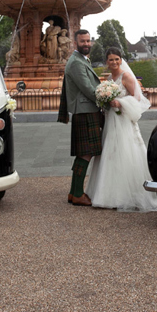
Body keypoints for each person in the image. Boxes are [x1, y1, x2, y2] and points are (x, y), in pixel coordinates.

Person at [85, 47, 157, 212]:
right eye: (111, 60)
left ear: (121, 60)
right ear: (106, 62)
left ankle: (128, 194)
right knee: (110, 153)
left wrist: (120, 103)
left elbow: (137, 99)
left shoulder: (126, 76)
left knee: (126, 151)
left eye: (117, 59)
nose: (114, 62)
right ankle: (107, 193)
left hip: (123, 120)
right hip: (111, 120)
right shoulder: (109, 79)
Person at [58, 29, 102, 206]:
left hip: (85, 111)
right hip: (85, 111)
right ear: (75, 43)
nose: (87, 44)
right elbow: (88, 89)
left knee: (84, 153)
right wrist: (107, 99)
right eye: (83, 41)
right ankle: (77, 194)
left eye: (88, 41)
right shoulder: (76, 62)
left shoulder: (80, 60)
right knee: (86, 153)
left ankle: (73, 192)